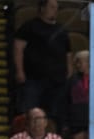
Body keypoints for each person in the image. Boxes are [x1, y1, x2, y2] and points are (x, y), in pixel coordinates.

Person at [14, 0, 72, 131]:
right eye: (51, 7)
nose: (55, 10)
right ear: (42, 8)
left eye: (56, 8)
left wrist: (69, 69)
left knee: (53, 113)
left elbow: (68, 52)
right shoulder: (29, 26)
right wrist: (19, 71)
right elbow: (18, 48)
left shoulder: (61, 29)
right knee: (29, 112)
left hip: (56, 80)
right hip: (34, 78)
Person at [64, 50, 94, 139]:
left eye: (80, 62)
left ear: (89, 62)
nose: (78, 65)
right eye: (76, 62)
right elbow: (66, 100)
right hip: (76, 120)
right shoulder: (72, 80)